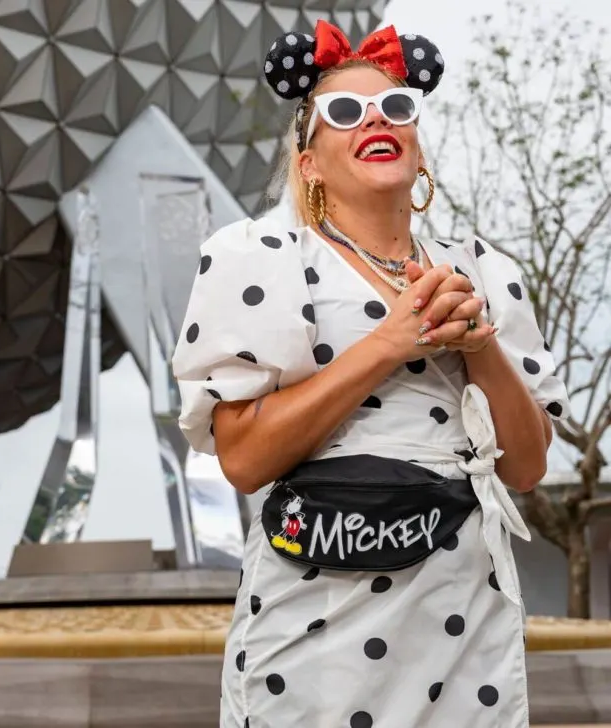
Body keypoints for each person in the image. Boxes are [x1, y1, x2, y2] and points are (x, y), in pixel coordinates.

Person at [171, 19, 570, 728]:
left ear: (417, 148)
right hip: (323, 603)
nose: (375, 121)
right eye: (345, 112)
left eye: (396, 107)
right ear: (309, 160)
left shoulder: (481, 267)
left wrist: (477, 342)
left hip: (461, 605)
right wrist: (389, 343)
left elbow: (528, 467)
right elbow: (244, 456)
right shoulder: (261, 255)